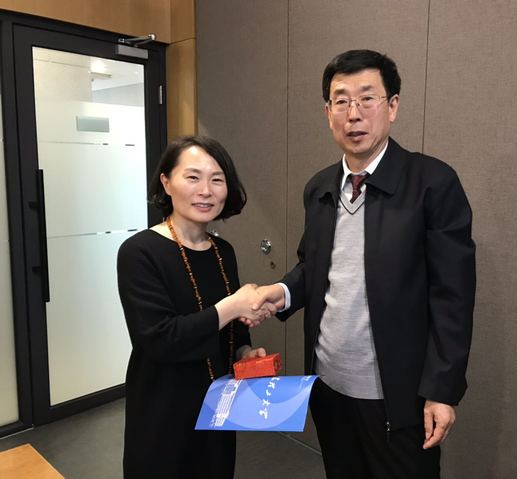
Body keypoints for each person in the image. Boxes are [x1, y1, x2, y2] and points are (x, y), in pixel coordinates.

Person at [253, 50, 476, 478]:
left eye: (367, 98)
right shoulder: (319, 187)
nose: (353, 114)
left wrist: (442, 390)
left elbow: (454, 297)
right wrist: (279, 294)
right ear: (328, 112)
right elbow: (313, 268)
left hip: (399, 397)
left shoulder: (432, 183)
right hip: (329, 387)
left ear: (392, 106)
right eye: (341, 101)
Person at [117, 136, 275, 478]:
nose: (206, 190)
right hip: (162, 412)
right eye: (192, 177)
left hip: (218, 407)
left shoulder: (223, 251)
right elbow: (160, 338)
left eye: (217, 179)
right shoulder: (139, 252)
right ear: (166, 182)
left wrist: (244, 352)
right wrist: (232, 305)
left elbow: (233, 330)